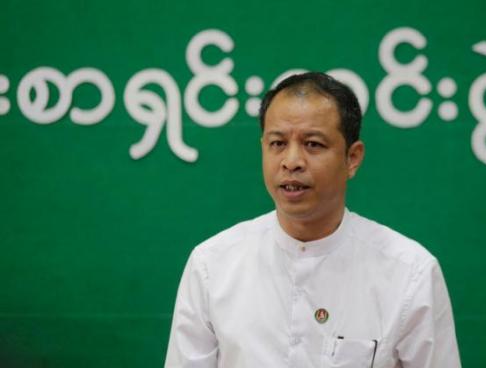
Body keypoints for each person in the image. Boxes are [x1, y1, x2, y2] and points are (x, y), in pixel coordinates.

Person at [165, 72, 461, 368]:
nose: (291, 161)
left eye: (313, 144)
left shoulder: (410, 273)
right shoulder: (211, 265)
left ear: (352, 158)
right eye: (278, 143)